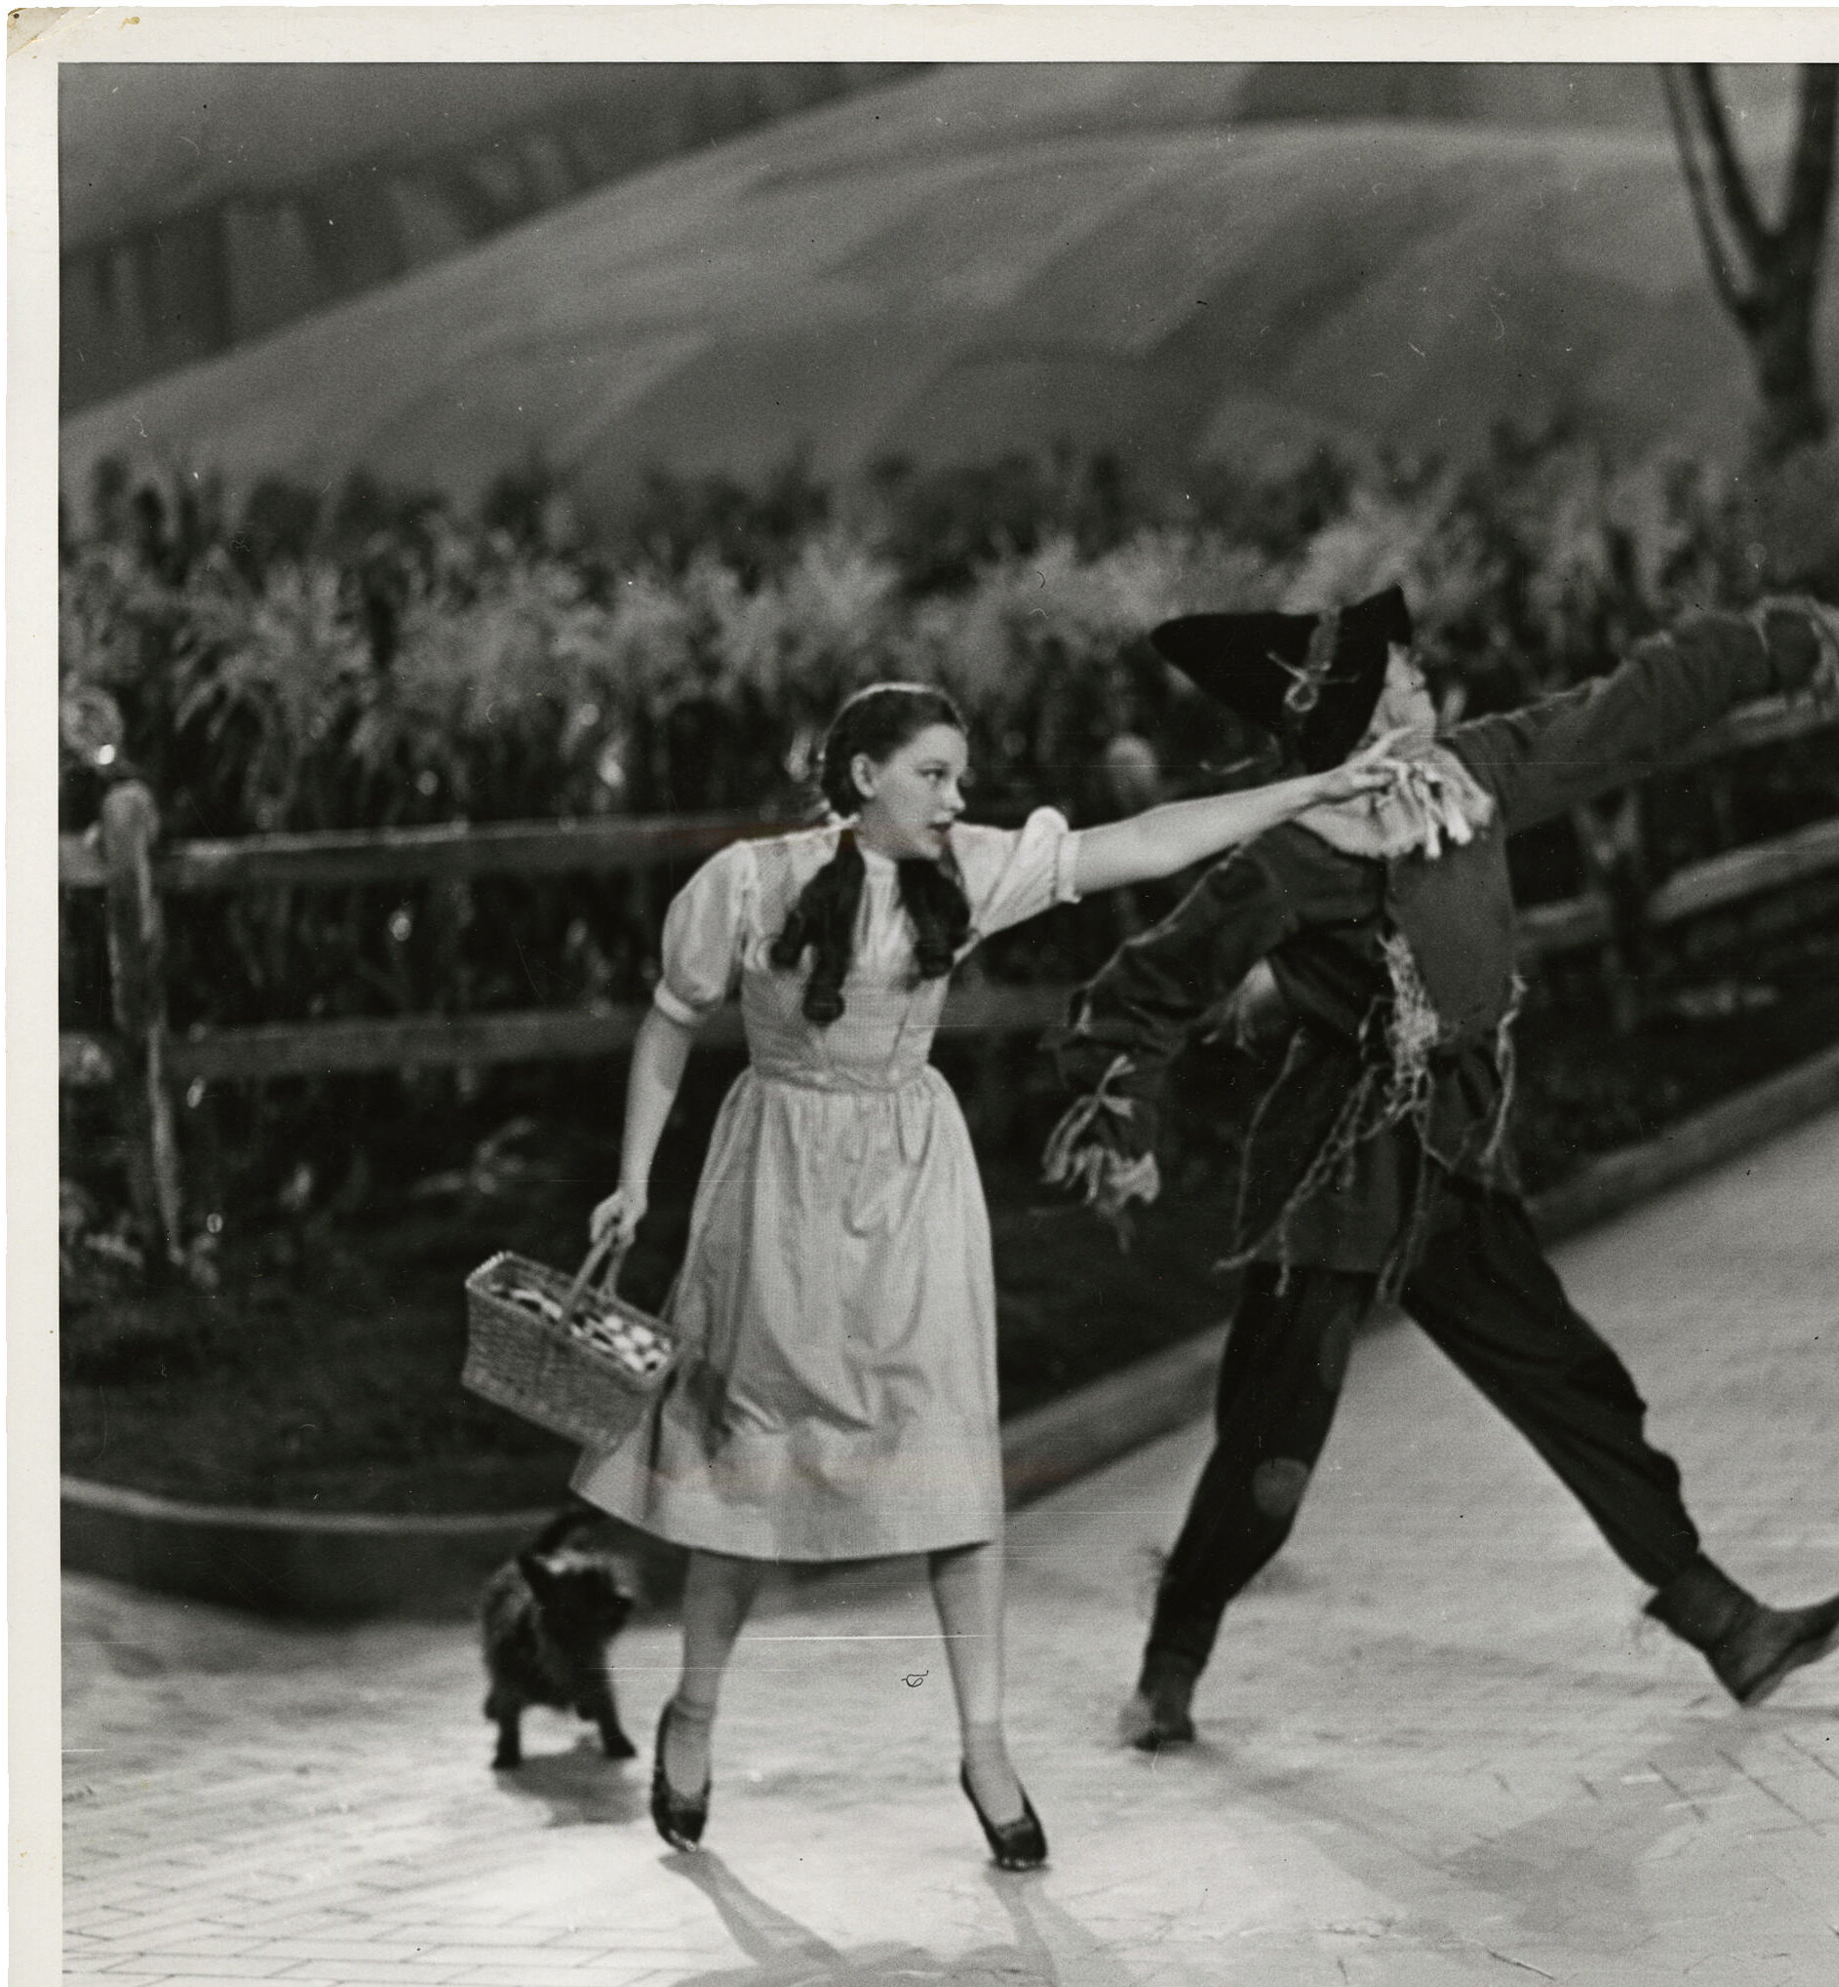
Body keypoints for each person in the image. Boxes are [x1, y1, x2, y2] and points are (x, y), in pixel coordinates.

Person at [1045, 586, 1839, 1752]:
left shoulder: (1474, 775)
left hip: (1450, 1155)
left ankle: (1726, 1626)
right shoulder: (1294, 856)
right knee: (1270, 1455)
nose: (1421, 682)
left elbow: (1621, 712)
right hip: (1333, 1180)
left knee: (1569, 1378)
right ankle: (1173, 1657)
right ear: (1353, 717)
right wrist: (1119, 1125)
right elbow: (1143, 986)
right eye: (1397, 676)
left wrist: (1778, 644)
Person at [575, 680, 1401, 1864]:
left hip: (913, 1184)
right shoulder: (744, 883)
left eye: (961, 776)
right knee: (747, 1475)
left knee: (954, 1464)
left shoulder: (964, 866)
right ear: (865, 778)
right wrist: (636, 1178)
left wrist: (1310, 789)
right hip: (779, 1191)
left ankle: (983, 1743)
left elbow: (1147, 840)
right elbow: (668, 1023)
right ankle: (694, 1711)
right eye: (935, 774)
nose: (958, 796)